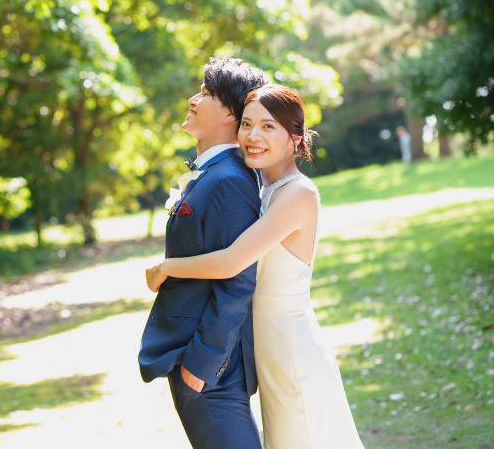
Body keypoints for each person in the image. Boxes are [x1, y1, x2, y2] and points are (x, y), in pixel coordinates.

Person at [146, 83, 364, 449]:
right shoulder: (262, 189)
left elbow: (232, 261)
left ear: (296, 138)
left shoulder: (299, 193)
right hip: (264, 344)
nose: (253, 136)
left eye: (268, 126)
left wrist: (168, 267)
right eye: (246, 125)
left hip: (289, 346)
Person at [138, 56, 270, 449]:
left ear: (233, 113)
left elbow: (239, 277)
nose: (194, 99)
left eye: (207, 93)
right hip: (190, 356)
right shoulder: (212, 174)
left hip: (212, 368)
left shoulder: (229, 181)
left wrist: (205, 360)